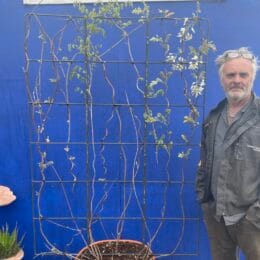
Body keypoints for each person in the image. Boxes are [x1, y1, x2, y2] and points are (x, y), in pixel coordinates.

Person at [196, 47, 260, 260]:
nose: (237, 80)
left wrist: (254, 216)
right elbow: (204, 162)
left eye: (243, 74)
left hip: (254, 222)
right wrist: (205, 200)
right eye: (230, 75)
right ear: (222, 79)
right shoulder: (213, 118)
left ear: (252, 77)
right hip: (217, 216)